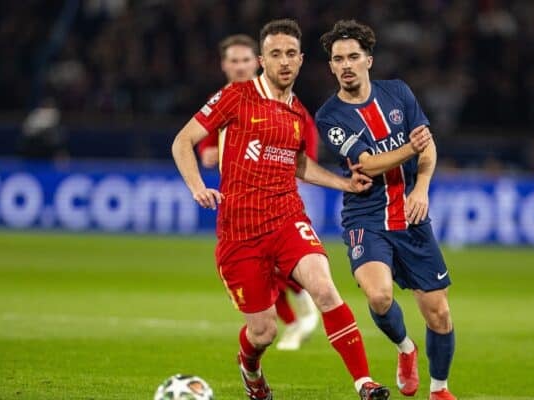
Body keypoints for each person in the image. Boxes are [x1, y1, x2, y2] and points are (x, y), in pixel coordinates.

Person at [172, 19, 390, 400]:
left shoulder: (298, 114)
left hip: (287, 219)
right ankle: (250, 369)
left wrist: (344, 183)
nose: (284, 61)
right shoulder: (236, 96)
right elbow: (182, 141)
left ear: (302, 60)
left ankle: (364, 383)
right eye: (276, 54)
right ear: (262, 60)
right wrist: (196, 187)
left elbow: (299, 163)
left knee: (324, 288)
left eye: (291, 54)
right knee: (264, 332)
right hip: (239, 232)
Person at [316, 20, 457, 400]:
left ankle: (439, 389)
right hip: (366, 216)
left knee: (439, 315)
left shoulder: (397, 93)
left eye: (353, 57)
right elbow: (367, 164)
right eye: (338, 59)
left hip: (410, 215)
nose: (346, 64)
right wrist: (411, 148)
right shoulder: (330, 116)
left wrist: (422, 188)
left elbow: (428, 146)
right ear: (331, 67)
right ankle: (405, 349)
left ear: (369, 60)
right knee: (378, 296)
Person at [196, 33, 320, 351]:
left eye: (245, 60)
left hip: (277, 197)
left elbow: (304, 140)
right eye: (233, 61)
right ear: (224, 65)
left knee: (277, 262)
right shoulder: (224, 99)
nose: (239, 66)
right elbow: (206, 149)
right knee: (260, 271)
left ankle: (300, 310)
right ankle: (297, 312)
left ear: (257, 62)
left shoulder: (280, 99)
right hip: (238, 200)